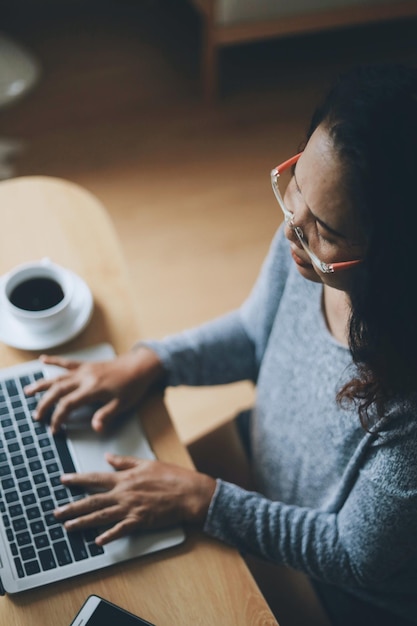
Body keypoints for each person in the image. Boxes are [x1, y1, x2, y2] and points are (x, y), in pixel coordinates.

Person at [25, 64, 417, 625]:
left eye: (325, 229)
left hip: (339, 594)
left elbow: (355, 558)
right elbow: (254, 332)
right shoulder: (305, 245)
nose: (292, 228)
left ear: (396, 260)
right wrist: (153, 361)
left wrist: (201, 500)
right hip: (256, 472)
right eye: (295, 185)